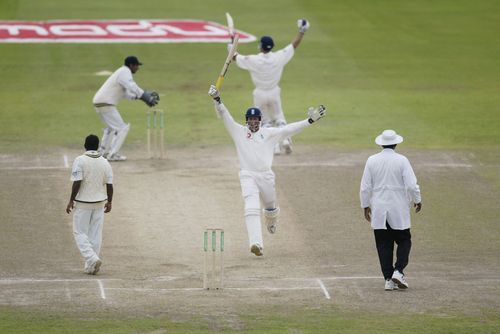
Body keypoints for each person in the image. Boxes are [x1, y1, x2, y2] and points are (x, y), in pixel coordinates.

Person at [208, 84, 326, 256]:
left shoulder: (269, 133)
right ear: (247, 120)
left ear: (260, 120)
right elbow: (225, 116)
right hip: (247, 175)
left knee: (270, 206)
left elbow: (289, 129)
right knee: (251, 206)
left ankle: (271, 221)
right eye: (250, 119)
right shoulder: (239, 132)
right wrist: (217, 100)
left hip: (266, 176)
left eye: (256, 120)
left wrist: (309, 121)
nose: (253, 122)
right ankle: (256, 243)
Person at [230, 19, 310, 155]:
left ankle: (274, 147)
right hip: (274, 92)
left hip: (260, 93)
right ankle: (285, 140)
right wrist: (302, 31)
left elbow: (234, 57)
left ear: (261, 47)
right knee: (279, 118)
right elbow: (293, 45)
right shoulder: (279, 57)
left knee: (265, 121)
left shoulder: (253, 60)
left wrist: (230, 45)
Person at [359, 130, 422, 290]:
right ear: (396, 143)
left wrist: (365, 205)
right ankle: (398, 271)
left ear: (381, 143)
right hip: (398, 207)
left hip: (379, 208)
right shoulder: (402, 160)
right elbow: (411, 184)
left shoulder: (372, 160)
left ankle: (388, 279)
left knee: (383, 244)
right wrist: (417, 199)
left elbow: (365, 187)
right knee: (404, 240)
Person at [93, 56, 160, 161]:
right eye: (137, 66)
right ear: (131, 65)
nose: (138, 68)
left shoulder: (121, 73)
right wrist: (144, 95)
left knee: (111, 128)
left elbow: (126, 94)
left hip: (100, 102)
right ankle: (112, 154)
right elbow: (132, 86)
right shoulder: (124, 72)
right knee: (122, 128)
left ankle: (103, 152)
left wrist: (142, 97)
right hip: (106, 103)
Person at [66, 134, 113, 275]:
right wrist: (110, 201)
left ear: (85, 146)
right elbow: (110, 185)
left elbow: (77, 182)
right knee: (95, 234)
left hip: (83, 203)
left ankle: (92, 258)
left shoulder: (80, 160)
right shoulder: (105, 162)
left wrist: (71, 200)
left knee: (79, 232)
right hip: (99, 203)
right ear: (97, 146)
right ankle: (91, 266)